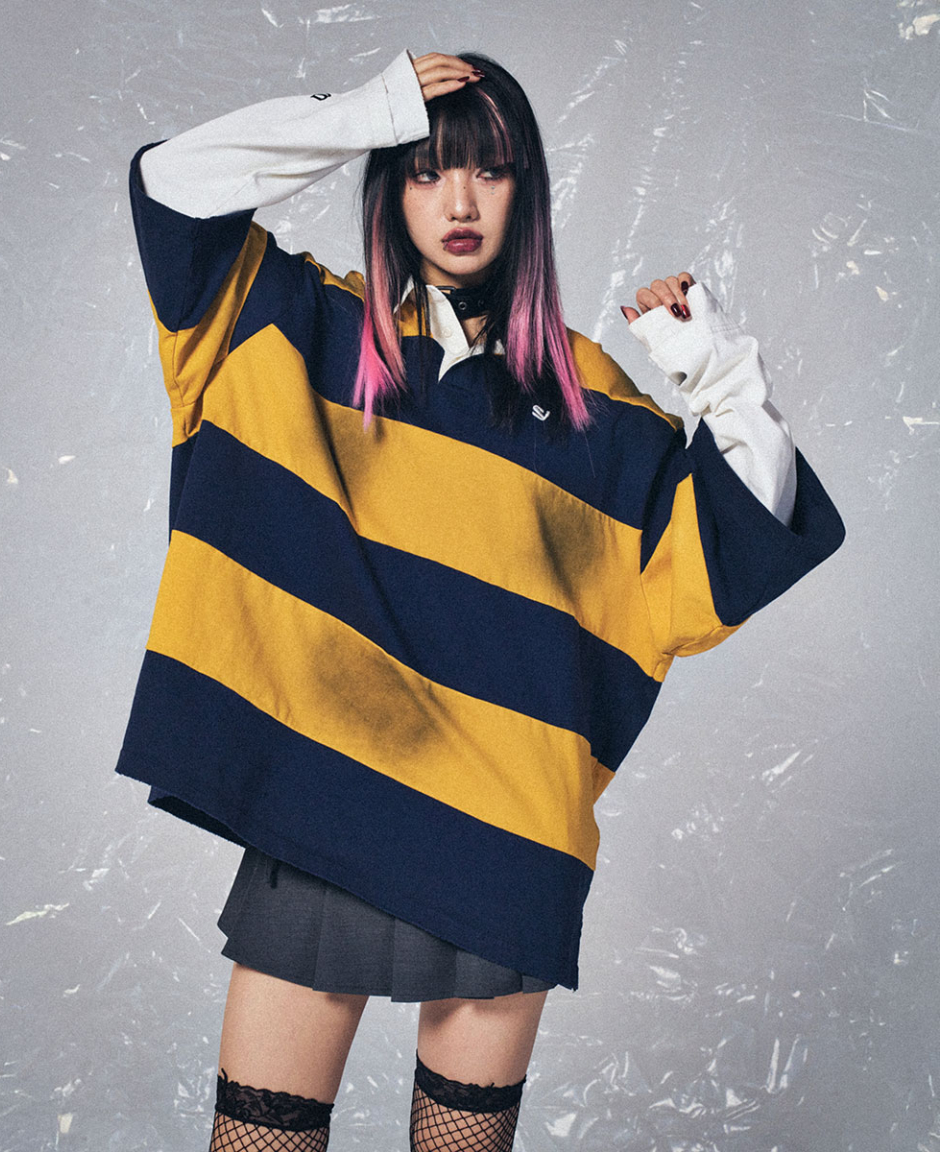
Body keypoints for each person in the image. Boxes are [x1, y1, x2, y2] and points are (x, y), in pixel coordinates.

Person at [116, 49, 844, 1152]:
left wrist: (714, 369)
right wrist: (371, 112)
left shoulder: (594, 404)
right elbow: (172, 182)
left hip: (502, 839)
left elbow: (735, 552)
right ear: (388, 183)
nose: (458, 202)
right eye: (425, 170)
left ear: (526, 192)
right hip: (319, 808)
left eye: (489, 171)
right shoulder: (296, 322)